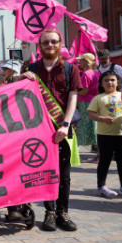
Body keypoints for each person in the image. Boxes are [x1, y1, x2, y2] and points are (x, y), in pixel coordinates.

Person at [18, 29, 81, 232]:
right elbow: (18, 94)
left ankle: (63, 212)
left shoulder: (71, 69)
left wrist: (65, 124)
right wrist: (20, 78)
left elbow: (73, 97)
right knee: (44, 173)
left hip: (62, 128)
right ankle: (49, 212)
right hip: (38, 130)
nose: (50, 45)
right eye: (46, 43)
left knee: (64, 174)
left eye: (54, 42)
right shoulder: (31, 68)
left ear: (60, 44)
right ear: (40, 46)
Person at [87, 71, 122, 198]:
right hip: (105, 134)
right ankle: (102, 186)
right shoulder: (98, 98)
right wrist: (102, 119)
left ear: (117, 82)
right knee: (104, 160)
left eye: (112, 80)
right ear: (101, 83)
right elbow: (91, 114)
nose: (110, 82)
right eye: (106, 80)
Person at [76, 53, 100, 153]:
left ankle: (92, 146)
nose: (79, 62)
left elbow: (84, 91)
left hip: (85, 102)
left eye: (80, 60)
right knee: (95, 125)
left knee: (86, 125)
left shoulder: (86, 74)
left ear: (85, 62)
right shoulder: (97, 72)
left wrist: (75, 91)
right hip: (95, 100)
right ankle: (98, 150)